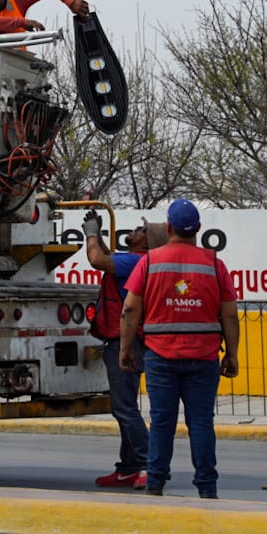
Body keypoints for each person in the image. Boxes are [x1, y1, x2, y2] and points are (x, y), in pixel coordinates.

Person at [119, 198, 241, 499]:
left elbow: (130, 309)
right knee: (201, 423)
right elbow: (229, 313)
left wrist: (125, 348)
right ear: (198, 229)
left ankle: (156, 482)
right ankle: (207, 486)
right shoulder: (215, 264)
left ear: (170, 227)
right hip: (204, 357)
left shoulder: (150, 262)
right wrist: (233, 354)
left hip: (161, 357)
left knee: (162, 422)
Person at [83, 212, 167, 489]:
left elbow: (97, 260)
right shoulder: (133, 260)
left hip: (124, 340)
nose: (135, 229)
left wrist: (91, 234)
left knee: (124, 407)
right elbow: (108, 258)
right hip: (127, 340)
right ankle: (128, 467)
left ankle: (146, 464)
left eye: (142, 229)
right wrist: (100, 234)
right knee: (124, 405)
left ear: (147, 242)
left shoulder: (135, 261)